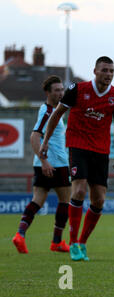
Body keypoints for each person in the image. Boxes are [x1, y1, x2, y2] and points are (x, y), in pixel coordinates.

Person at [39, 56, 114, 261]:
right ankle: (73, 242)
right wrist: (45, 142)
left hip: (101, 150)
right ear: (95, 71)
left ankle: (82, 242)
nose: (108, 74)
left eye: (111, 71)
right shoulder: (77, 89)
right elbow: (57, 114)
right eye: (104, 70)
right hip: (78, 145)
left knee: (99, 199)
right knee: (78, 189)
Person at [12, 75, 71, 254]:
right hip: (55, 164)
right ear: (47, 92)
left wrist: (42, 162)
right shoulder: (48, 111)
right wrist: (45, 161)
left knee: (37, 201)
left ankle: (20, 235)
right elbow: (34, 135)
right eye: (57, 90)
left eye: (62, 90)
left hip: (44, 163)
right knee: (65, 201)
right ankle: (56, 242)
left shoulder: (53, 110)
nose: (61, 93)